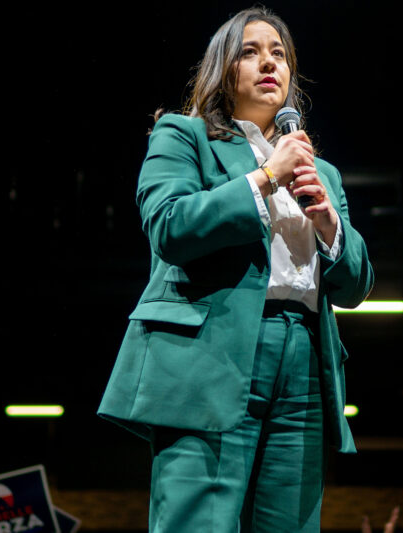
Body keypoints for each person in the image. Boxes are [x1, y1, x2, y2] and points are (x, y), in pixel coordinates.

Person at [97, 6, 374, 532]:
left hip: (305, 363)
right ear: (223, 69)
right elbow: (170, 226)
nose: (269, 63)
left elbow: (357, 287)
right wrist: (268, 176)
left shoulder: (322, 172)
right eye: (251, 52)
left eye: (279, 55)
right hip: (211, 355)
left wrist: (329, 223)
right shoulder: (184, 136)